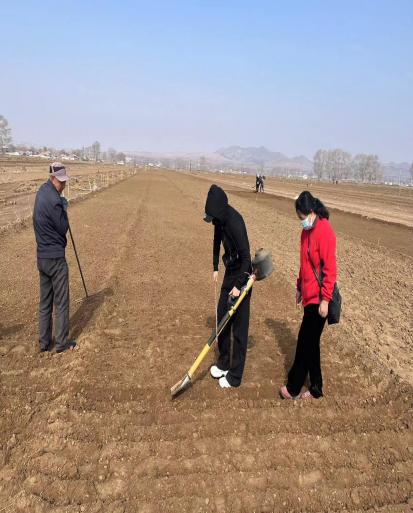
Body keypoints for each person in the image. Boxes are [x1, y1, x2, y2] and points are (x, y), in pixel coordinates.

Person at [280, 191, 336, 400]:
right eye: (299, 219)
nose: (301, 223)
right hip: (308, 295)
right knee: (311, 343)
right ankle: (316, 388)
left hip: (320, 298)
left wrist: (326, 299)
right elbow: (304, 264)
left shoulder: (325, 232)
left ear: (311, 212)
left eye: (303, 218)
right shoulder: (306, 233)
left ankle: (293, 387)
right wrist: (298, 287)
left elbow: (330, 269)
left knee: (305, 341)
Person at [204, 184, 252, 388]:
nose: (211, 221)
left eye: (212, 217)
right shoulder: (220, 221)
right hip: (230, 271)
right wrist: (215, 266)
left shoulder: (235, 222)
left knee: (239, 330)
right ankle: (223, 363)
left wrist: (238, 286)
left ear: (219, 211)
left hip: (243, 274)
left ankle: (235, 376)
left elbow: (247, 259)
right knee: (222, 317)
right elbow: (216, 241)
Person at [33, 163, 76, 353]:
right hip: (56, 259)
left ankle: (44, 343)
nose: (64, 185)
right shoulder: (55, 201)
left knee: (45, 303)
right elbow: (62, 228)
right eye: (62, 181)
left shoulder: (41, 192)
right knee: (61, 302)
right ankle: (61, 344)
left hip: (42, 256)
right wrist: (63, 209)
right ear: (53, 178)